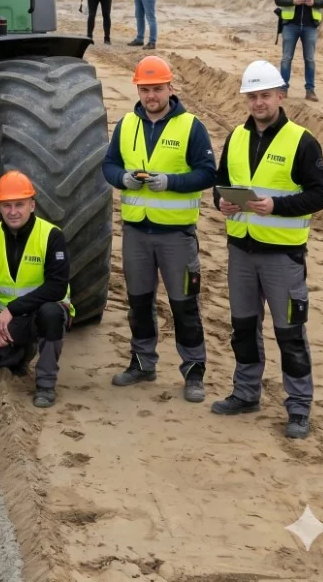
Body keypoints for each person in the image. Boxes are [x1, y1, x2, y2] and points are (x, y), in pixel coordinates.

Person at [211, 60, 323, 440]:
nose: (258, 102)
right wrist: (222, 203)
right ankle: (246, 394)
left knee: (290, 333)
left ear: (280, 96)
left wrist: (276, 207)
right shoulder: (236, 138)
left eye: (265, 95)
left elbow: (320, 195)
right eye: (252, 96)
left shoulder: (302, 140)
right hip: (241, 252)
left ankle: (298, 408)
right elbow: (221, 184)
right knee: (244, 328)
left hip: (283, 256)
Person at [102, 56, 216, 402]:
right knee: (139, 303)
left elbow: (208, 173)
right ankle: (141, 362)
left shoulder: (191, 127)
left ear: (171, 88)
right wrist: (121, 178)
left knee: (184, 305)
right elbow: (109, 164)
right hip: (137, 232)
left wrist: (171, 182)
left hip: (176, 236)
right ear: (138, 89)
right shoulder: (126, 125)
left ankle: (194, 371)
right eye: (145, 89)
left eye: (157, 88)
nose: (151, 95)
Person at [0, 171, 73, 408]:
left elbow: (56, 287)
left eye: (19, 204)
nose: (13, 211)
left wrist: (11, 310)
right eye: (7, 205)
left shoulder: (51, 236)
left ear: (32, 205)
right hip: (6, 319)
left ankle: (45, 384)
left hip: (39, 314)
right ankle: (20, 354)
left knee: (51, 314)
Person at [274, 0, 323, 101]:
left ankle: (310, 91)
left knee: (309, 59)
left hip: (310, 26)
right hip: (290, 25)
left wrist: (314, 3)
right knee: (286, 58)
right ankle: (283, 89)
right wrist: (293, 1)